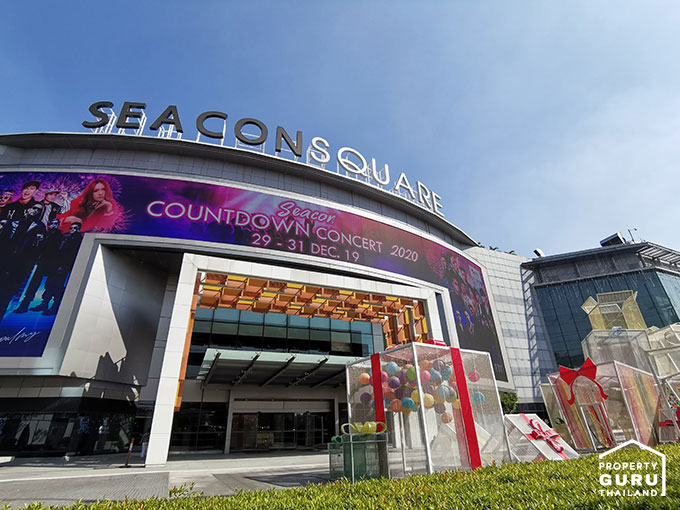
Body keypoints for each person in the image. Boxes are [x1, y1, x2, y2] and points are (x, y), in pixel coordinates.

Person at [13, 218, 64, 313]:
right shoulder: (44, 232)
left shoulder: (57, 235)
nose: (54, 225)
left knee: (48, 284)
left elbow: (55, 249)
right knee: (33, 283)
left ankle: (43, 303)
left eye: (56, 223)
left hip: (49, 262)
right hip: (39, 261)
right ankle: (25, 304)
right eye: (52, 223)